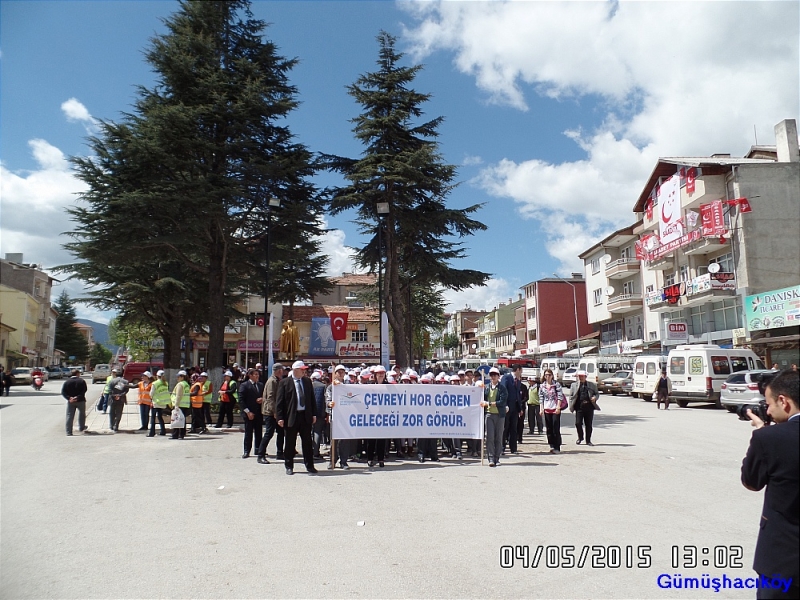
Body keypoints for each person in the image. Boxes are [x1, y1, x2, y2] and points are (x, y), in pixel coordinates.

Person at [741, 370, 799, 599]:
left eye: (768, 403)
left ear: (784, 401)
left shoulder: (769, 439)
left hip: (782, 559)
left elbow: (751, 482)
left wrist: (761, 433)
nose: (767, 411)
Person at [275, 360, 318, 475]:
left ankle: (310, 466)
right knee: (290, 442)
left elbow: (311, 399)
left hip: (305, 415)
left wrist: (314, 414)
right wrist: (280, 417)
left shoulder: (307, 382)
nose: (304, 371)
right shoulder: (285, 383)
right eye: (302, 369)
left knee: (307, 442)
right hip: (291, 416)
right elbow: (279, 402)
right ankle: (289, 465)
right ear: (295, 370)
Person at [257, 363, 285, 464]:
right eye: (282, 370)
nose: (283, 372)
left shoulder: (277, 380)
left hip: (276, 411)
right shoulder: (272, 381)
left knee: (281, 432)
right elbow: (270, 398)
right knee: (269, 433)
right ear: (279, 370)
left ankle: (280, 453)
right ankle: (261, 454)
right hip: (270, 412)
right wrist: (275, 412)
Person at [481, 367, 507, 467]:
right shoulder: (486, 387)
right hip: (489, 415)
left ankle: (497, 458)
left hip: (500, 415)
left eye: (495, 375)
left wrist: (490, 403)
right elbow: (482, 398)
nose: (493, 377)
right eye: (491, 375)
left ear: (498, 376)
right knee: (489, 437)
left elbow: (502, 401)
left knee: (499, 437)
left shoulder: (502, 388)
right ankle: (491, 458)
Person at [326, 364, 351, 469]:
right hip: (335, 417)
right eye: (338, 372)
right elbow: (327, 399)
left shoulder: (348, 386)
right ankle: (333, 460)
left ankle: (343, 461)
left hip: (346, 417)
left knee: (344, 440)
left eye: (342, 372)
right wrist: (329, 404)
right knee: (334, 440)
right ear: (335, 373)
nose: (341, 374)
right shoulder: (331, 386)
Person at [569, 370, 599, 446]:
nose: (581, 378)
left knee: (588, 424)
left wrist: (595, 397)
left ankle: (588, 440)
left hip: (589, 407)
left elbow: (597, 393)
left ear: (586, 377)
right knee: (578, 423)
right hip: (579, 407)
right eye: (580, 376)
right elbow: (571, 396)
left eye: (582, 376)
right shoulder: (574, 385)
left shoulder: (592, 385)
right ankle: (580, 437)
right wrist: (571, 405)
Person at [238, 368, 264, 459]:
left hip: (259, 412)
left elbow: (265, 396)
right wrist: (248, 412)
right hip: (249, 413)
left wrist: (262, 399)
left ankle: (259, 449)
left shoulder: (261, 385)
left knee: (259, 432)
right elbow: (241, 400)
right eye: (255, 374)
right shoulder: (244, 385)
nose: (257, 376)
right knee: (248, 433)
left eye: (258, 374)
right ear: (250, 375)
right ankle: (246, 451)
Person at [540, 369, 564, 454]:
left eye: (549, 375)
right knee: (549, 428)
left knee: (555, 427)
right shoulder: (542, 386)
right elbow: (541, 398)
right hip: (547, 409)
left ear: (552, 375)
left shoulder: (556, 384)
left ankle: (557, 446)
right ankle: (551, 445)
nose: (547, 376)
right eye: (546, 375)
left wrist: (558, 407)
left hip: (555, 408)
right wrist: (541, 408)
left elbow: (560, 396)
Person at [501, 365, 523, 454]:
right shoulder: (506, 378)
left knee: (514, 428)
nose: (521, 373)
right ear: (517, 369)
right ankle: (502, 448)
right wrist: (505, 405)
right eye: (521, 371)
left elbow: (518, 395)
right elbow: (503, 391)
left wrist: (520, 408)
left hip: (515, 408)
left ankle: (513, 448)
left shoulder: (518, 380)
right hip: (506, 408)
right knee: (505, 428)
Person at [62, 369, 88, 436]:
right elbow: (84, 391)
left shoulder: (67, 382)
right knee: (82, 414)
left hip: (71, 402)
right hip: (80, 400)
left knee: (69, 416)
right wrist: (77, 397)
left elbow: (63, 392)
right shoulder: (81, 381)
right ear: (77, 374)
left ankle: (69, 431)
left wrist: (69, 398)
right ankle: (81, 427)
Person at [149, 370, 170, 437]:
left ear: (157, 376)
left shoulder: (155, 383)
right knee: (160, 417)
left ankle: (152, 433)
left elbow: (151, 393)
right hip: (163, 403)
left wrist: (152, 398)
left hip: (156, 402)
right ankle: (163, 431)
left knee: (153, 418)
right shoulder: (165, 383)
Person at [311, 370, 327, 460]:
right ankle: (316, 453)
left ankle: (309, 451)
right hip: (320, 413)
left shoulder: (308, 385)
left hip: (309, 413)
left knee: (309, 433)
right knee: (317, 432)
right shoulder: (323, 386)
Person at [170, 371, 191, 439]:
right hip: (185, 405)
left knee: (177, 420)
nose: (177, 378)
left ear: (182, 377)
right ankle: (182, 434)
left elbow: (178, 395)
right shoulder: (186, 384)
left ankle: (175, 435)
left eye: (179, 376)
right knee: (182, 420)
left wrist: (176, 405)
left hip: (180, 405)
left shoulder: (180, 384)